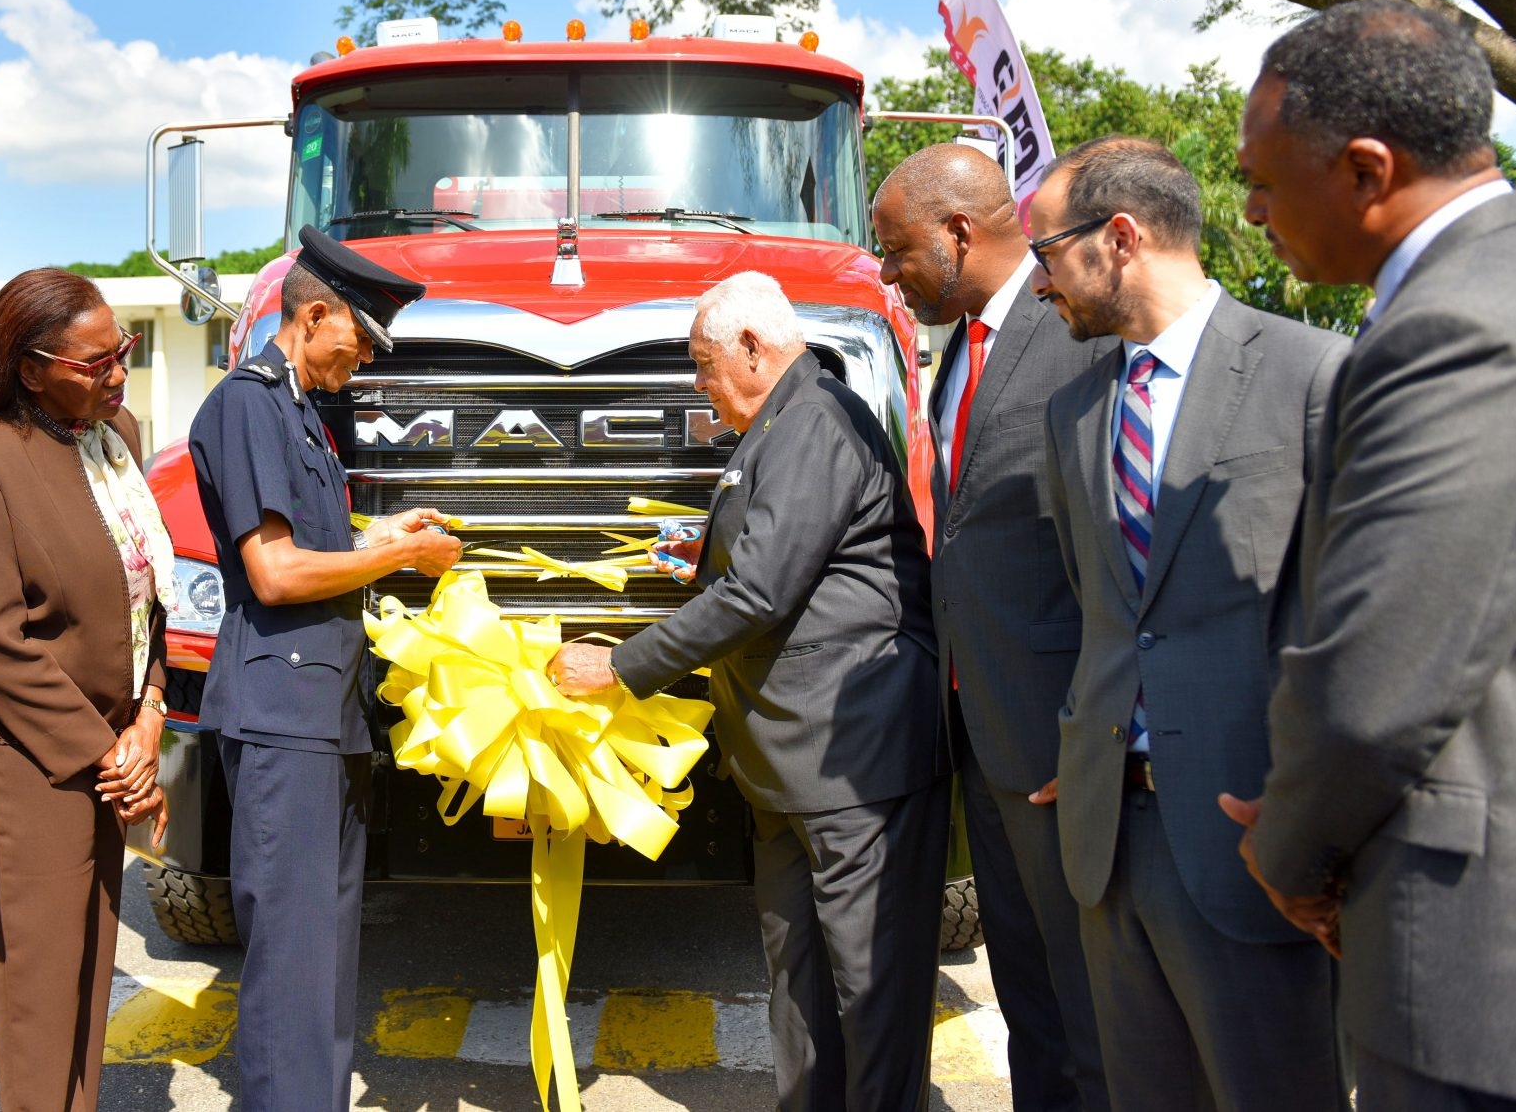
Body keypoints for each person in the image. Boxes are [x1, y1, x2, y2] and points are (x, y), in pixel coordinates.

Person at [1227, 0, 1516, 1111]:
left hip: (1481, 961)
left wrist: (1289, 850)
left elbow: (1378, 673)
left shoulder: (1453, 326)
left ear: (1366, 171)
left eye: (1263, 180)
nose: (1252, 211)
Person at [549, 271, 947, 1112]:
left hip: (850, 761)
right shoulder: (786, 420)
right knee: (799, 986)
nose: (700, 386)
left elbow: (759, 592)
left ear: (754, 349)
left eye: (703, 365)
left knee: (870, 992)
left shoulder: (815, 420)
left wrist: (620, 667)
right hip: (793, 762)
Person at [1028, 140, 1347, 1110]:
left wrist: (1318, 830)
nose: (1038, 286)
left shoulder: (1313, 377)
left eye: (1044, 255)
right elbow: (1102, 611)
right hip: (1109, 847)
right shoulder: (1073, 411)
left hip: (1253, 843)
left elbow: (1349, 625)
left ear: (1117, 238)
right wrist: (1089, 740)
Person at [187, 227, 463, 1109]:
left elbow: (314, 545)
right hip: (282, 714)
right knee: (293, 971)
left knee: (326, 962)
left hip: (321, 714)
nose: (366, 362)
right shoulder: (248, 404)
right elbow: (274, 570)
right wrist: (394, 563)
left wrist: (382, 537)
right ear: (313, 315)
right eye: (360, 340)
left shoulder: (301, 409)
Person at [872, 142, 1112, 1112]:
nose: (885, 272)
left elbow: (1111, 552)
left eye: (893, 251)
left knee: (1089, 1005)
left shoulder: (1077, 335)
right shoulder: (955, 353)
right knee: (1027, 999)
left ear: (957, 232)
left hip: (1060, 746)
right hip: (982, 738)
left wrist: (1093, 730)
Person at [0, 268, 169, 1112]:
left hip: (113, 752)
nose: (117, 374)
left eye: (124, 351)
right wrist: (109, 750)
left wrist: (149, 715)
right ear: (31, 368)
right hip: (33, 766)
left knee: (90, 977)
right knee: (39, 1003)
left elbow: (148, 596)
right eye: (95, 361)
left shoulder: (115, 438)